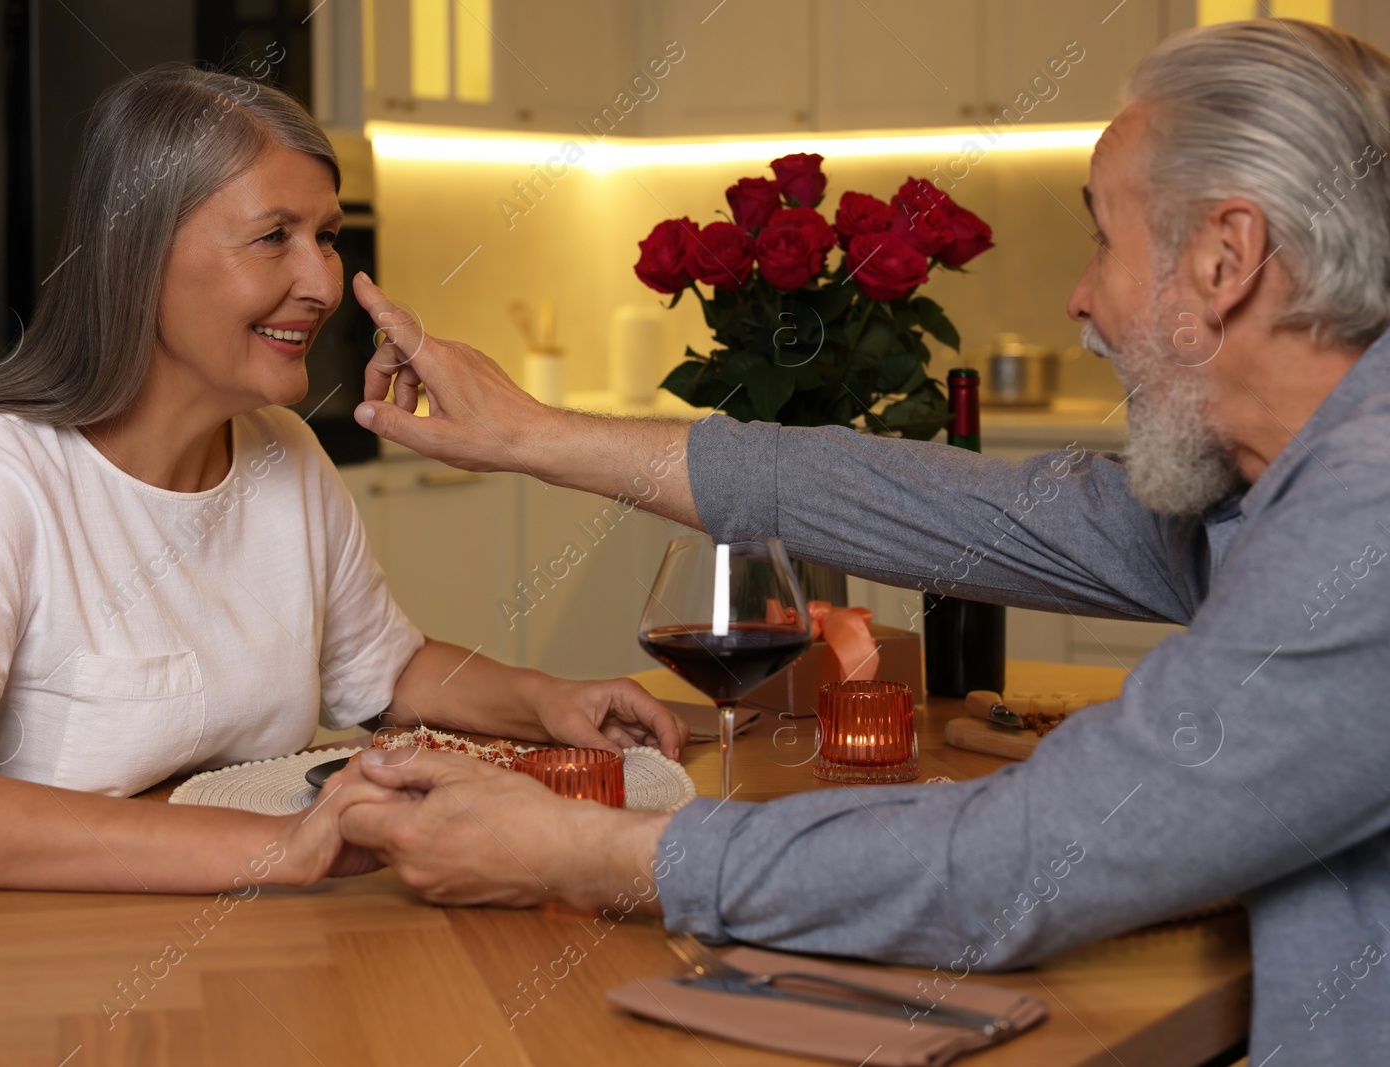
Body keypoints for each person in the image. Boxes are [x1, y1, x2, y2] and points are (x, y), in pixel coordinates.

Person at [334, 19, 1390, 1060]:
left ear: (1225, 259)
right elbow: (946, 508)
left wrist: (586, 852)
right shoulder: (1273, 488)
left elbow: (1014, 865)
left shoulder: (1365, 515)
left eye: (1103, 239)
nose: (1079, 298)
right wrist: (541, 435)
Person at [0, 64, 685, 894]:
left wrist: (547, 702)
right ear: (140, 256)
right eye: (274, 236)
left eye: (326, 237)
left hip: (219, 939)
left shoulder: (282, 452)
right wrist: (282, 847)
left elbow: (386, 673)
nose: (321, 284)